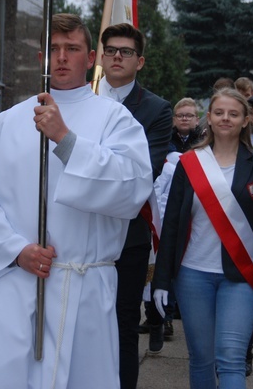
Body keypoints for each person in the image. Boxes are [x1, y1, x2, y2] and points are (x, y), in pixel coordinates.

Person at [0, 14, 153, 388]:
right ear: (41, 57)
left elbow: (131, 188)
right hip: (14, 281)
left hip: (85, 285)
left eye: (72, 49)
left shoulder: (115, 120)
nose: (62, 57)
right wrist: (16, 250)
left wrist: (65, 139)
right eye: (54, 49)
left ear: (90, 57)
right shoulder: (9, 122)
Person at [152, 88, 253, 388]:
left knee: (231, 359)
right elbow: (171, 225)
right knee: (200, 358)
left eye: (234, 113)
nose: (226, 118)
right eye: (219, 112)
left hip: (240, 277)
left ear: (246, 120)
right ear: (208, 118)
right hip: (192, 274)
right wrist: (161, 281)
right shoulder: (189, 162)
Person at [97, 23, 172, 385]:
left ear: (139, 61)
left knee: (124, 323)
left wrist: (88, 168)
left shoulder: (157, 109)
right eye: (110, 49)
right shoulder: (81, 100)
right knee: (85, 322)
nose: (116, 56)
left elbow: (144, 172)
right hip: (80, 229)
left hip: (129, 233)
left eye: (125, 52)